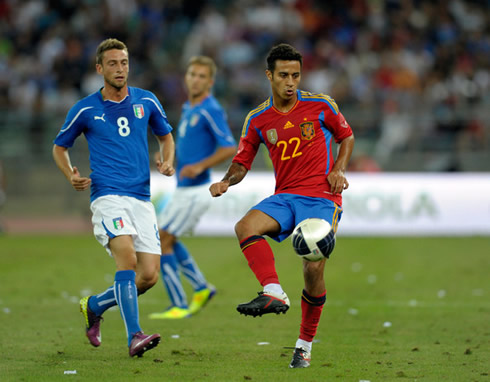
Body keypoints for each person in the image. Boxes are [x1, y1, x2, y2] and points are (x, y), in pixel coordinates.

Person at [209, 43, 355, 368]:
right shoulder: (258, 118)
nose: (291, 82)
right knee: (245, 227)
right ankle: (273, 290)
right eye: (284, 75)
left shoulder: (320, 105)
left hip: (321, 197)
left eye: (296, 75)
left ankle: (304, 345)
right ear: (269, 76)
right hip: (286, 196)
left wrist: (339, 169)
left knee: (313, 267)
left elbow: (347, 136)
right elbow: (241, 163)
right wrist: (225, 182)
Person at [52, 38, 175, 357]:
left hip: (141, 198)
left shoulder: (146, 101)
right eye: (112, 64)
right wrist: (71, 175)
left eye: (123, 63)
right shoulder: (85, 108)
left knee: (147, 276)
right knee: (127, 259)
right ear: (99, 69)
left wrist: (167, 159)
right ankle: (135, 335)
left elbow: (166, 136)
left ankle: (94, 306)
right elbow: (59, 147)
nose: (119, 69)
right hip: (107, 196)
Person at [149, 56, 236, 319]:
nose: (195, 79)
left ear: (210, 82)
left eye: (201, 76)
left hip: (197, 190)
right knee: (167, 238)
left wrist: (200, 167)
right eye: (191, 74)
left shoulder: (211, 108)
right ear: (185, 78)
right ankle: (200, 287)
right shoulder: (189, 107)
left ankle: (179, 303)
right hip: (183, 188)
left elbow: (229, 146)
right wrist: (168, 162)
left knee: (162, 239)